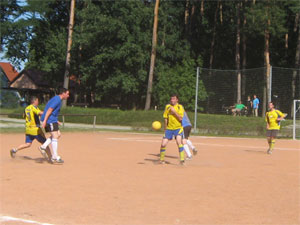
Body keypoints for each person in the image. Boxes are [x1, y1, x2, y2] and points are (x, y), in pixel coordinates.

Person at [10, 96, 51, 160]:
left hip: (28, 129)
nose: (38, 102)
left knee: (28, 144)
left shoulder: (26, 108)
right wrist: (48, 112)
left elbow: (24, 116)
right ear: (34, 101)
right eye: (37, 101)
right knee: (45, 143)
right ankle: (51, 157)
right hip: (35, 129)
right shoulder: (33, 107)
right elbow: (40, 113)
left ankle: (15, 149)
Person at [39, 87, 70, 163]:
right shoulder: (57, 99)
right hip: (49, 120)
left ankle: (43, 146)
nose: (68, 96)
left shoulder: (57, 99)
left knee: (58, 134)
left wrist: (57, 121)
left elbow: (53, 112)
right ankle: (54, 157)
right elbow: (49, 110)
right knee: (55, 136)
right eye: (67, 94)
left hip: (52, 120)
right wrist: (45, 121)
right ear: (63, 93)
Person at [159, 94, 185, 165]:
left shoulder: (180, 107)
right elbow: (165, 118)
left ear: (177, 100)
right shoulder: (167, 107)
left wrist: (174, 112)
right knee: (163, 144)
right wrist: (165, 128)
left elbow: (180, 118)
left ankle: (182, 160)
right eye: (171, 99)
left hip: (178, 128)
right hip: (169, 129)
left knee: (178, 142)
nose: (172, 100)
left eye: (174, 99)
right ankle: (161, 159)